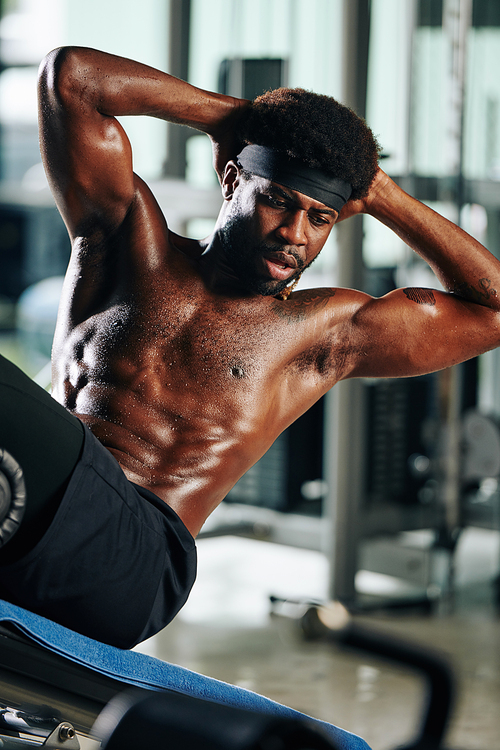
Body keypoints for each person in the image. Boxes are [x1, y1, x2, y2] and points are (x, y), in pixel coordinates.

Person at [1, 46, 500, 649]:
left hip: (131, 565)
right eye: (279, 200)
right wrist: (237, 119)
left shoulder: (323, 332)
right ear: (233, 177)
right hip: (30, 522)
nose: (293, 234)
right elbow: (73, 78)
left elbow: (491, 308)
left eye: (320, 218)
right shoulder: (126, 238)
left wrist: (383, 194)